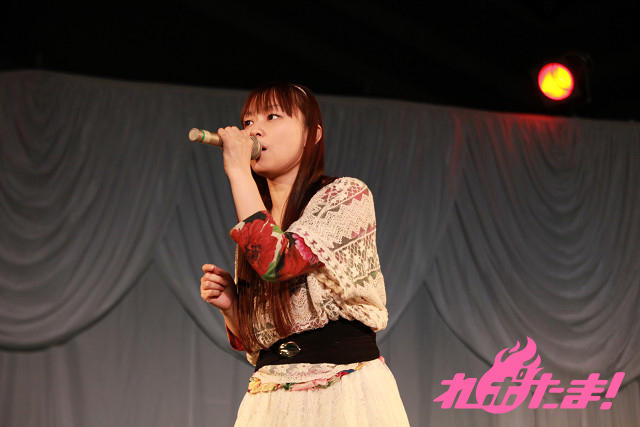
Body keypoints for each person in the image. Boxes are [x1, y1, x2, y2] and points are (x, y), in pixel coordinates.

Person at [200, 82, 409, 426]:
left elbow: (278, 262)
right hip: (272, 396)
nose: (254, 130)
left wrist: (237, 171)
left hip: (341, 391)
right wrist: (233, 308)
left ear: (312, 134)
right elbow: (260, 344)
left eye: (272, 116)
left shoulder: (346, 195)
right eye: (248, 121)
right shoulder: (259, 220)